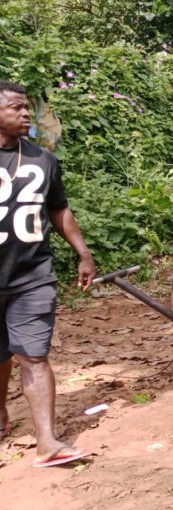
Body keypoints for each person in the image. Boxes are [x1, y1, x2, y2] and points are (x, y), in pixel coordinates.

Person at [0, 80, 96, 467]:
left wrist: (83, 252)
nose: (26, 114)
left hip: (32, 275)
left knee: (33, 356)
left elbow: (58, 210)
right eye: (16, 108)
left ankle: (48, 442)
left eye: (27, 108)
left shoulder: (42, 160)